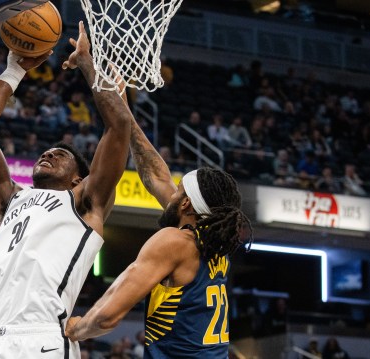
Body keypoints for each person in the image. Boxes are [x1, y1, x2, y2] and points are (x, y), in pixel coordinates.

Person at [0, 21, 131, 359]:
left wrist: (88, 65)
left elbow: (120, 126)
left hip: (40, 339)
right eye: (48, 152)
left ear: (77, 179)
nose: (49, 153)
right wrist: (14, 70)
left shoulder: (85, 201)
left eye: (62, 155)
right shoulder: (9, 199)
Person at [65, 103, 253, 358]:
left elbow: (107, 317)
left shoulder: (175, 241)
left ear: (186, 203)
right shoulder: (215, 242)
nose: (171, 190)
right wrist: (122, 109)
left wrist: (77, 328)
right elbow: (156, 175)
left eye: (178, 190)